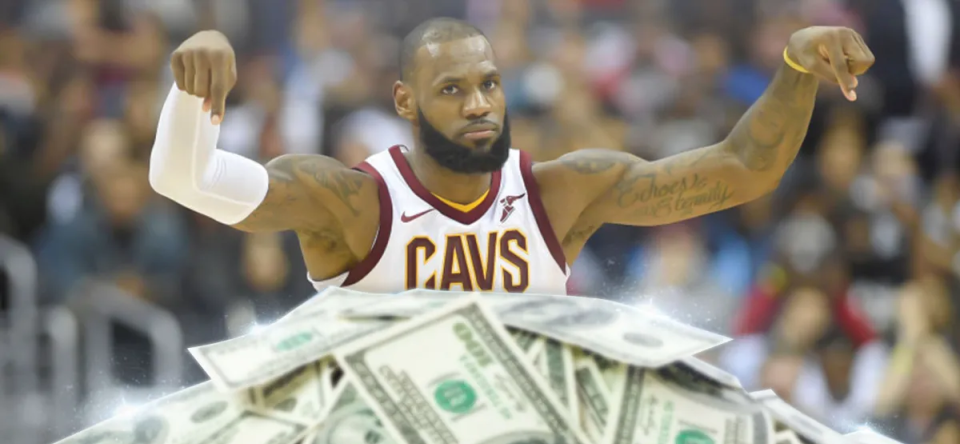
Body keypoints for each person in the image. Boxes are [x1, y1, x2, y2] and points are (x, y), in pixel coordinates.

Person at [149, 18, 874, 295]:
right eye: (452, 89)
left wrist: (794, 68)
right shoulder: (353, 199)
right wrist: (192, 84)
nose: (478, 105)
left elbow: (744, 168)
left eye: (489, 84)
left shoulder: (562, 191)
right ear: (405, 101)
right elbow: (184, 178)